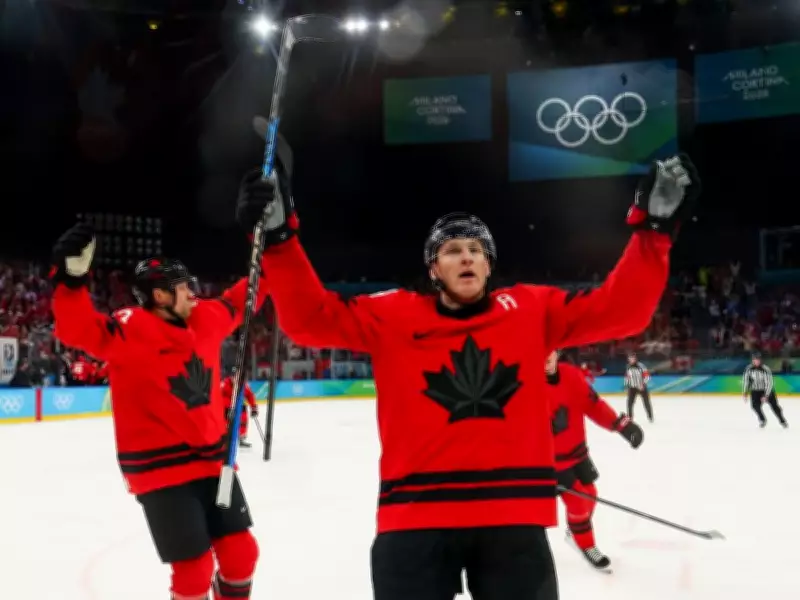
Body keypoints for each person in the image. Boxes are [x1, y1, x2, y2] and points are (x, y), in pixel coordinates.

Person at [237, 146, 699, 600]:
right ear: (433, 267)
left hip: (512, 519)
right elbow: (309, 320)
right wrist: (279, 239)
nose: (467, 257)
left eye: (477, 249)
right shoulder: (392, 314)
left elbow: (623, 311)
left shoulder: (531, 309)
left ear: (489, 263)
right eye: (453, 250)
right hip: (414, 517)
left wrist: (654, 231)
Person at [50, 224, 270, 600]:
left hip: (214, 462)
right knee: (194, 570)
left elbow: (242, 299)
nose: (193, 292)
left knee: (241, 554)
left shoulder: (206, 317)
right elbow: (76, 330)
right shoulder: (128, 329)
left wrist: (267, 249)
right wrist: (71, 281)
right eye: (183, 286)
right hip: (160, 471)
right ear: (160, 295)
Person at [545, 350, 643, 573]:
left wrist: (621, 425)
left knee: (590, 493)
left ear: (557, 352)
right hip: (550, 463)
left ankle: (576, 531)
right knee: (578, 502)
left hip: (577, 453)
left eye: (548, 354)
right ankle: (587, 546)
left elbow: (593, 405)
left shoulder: (571, 376)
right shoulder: (526, 383)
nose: (545, 360)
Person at [743, 352, 787, 428]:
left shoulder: (765, 369)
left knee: (775, 407)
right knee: (755, 406)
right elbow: (746, 381)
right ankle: (762, 420)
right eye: (755, 360)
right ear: (752, 360)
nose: (756, 361)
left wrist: (766, 395)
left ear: (760, 360)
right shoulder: (748, 369)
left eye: (758, 360)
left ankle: (782, 421)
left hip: (766, 390)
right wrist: (745, 393)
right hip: (755, 391)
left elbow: (770, 383)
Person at [221, 368, 259, 447]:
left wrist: (254, 408)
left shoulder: (243, 385)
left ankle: (241, 438)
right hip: (226, 407)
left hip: (238, 405)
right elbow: (217, 396)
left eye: (238, 376)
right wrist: (227, 406)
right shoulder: (224, 384)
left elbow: (250, 395)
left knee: (243, 417)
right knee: (226, 422)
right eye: (234, 376)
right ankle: (225, 437)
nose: (235, 378)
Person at [624, 352, 652, 422]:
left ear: (635, 359)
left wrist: (642, 384)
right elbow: (627, 377)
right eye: (629, 358)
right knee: (629, 403)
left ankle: (650, 416)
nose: (630, 359)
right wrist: (627, 384)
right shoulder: (628, 367)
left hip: (641, 387)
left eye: (632, 358)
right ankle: (630, 418)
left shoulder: (641, 366)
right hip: (632, 387)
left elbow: (647, 376)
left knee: (646, 402)